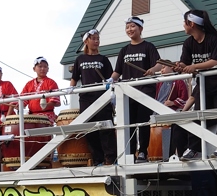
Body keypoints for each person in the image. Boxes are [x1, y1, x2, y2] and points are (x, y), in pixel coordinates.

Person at [172, 9, 217, 160]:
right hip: (204, 84)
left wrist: (194, 67)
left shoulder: (213, 39)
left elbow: (216, 61)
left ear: (191, 24)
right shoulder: (188, 43)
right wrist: (179, 66)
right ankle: (193, 149)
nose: (183, 26)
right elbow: (185, 63)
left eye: (184, 22)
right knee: (198, 115)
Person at [111, 16, 160, 162]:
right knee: (129, 123)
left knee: (143, 122)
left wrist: (152, 69)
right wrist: (109, 80)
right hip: (127, 92)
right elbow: (117, 71)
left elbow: (158, 64)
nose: (129, 30)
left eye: (132, 26)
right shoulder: (124, 50)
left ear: (140, 28)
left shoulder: (148, 46)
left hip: (145, 90)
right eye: (127, 27)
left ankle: (143, 152)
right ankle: (131, 152)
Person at [70, 29, 116, 166]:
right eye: (93, 38)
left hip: (102, 97)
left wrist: (111, 90)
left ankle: (110, 158)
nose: (96, 41)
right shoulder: (80, 59)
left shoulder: (104, 59)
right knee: (90, 129)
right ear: (86, 41)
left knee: (105, 129)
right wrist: (70, 89)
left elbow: (110, 78)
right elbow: (74, 79)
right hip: (86, 98)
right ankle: (97, 159)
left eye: (98, 39)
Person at [20, 57, 60, 122]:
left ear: (48, 69)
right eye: (40, 66)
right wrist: (18, 105)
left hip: (47, 115)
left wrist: (45, 106)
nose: (43, 69)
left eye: (45, 67)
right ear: (34, 69)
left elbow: (55, 101)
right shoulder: (29, 84)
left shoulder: (51, 82)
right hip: (31, 116)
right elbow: (23, 100)